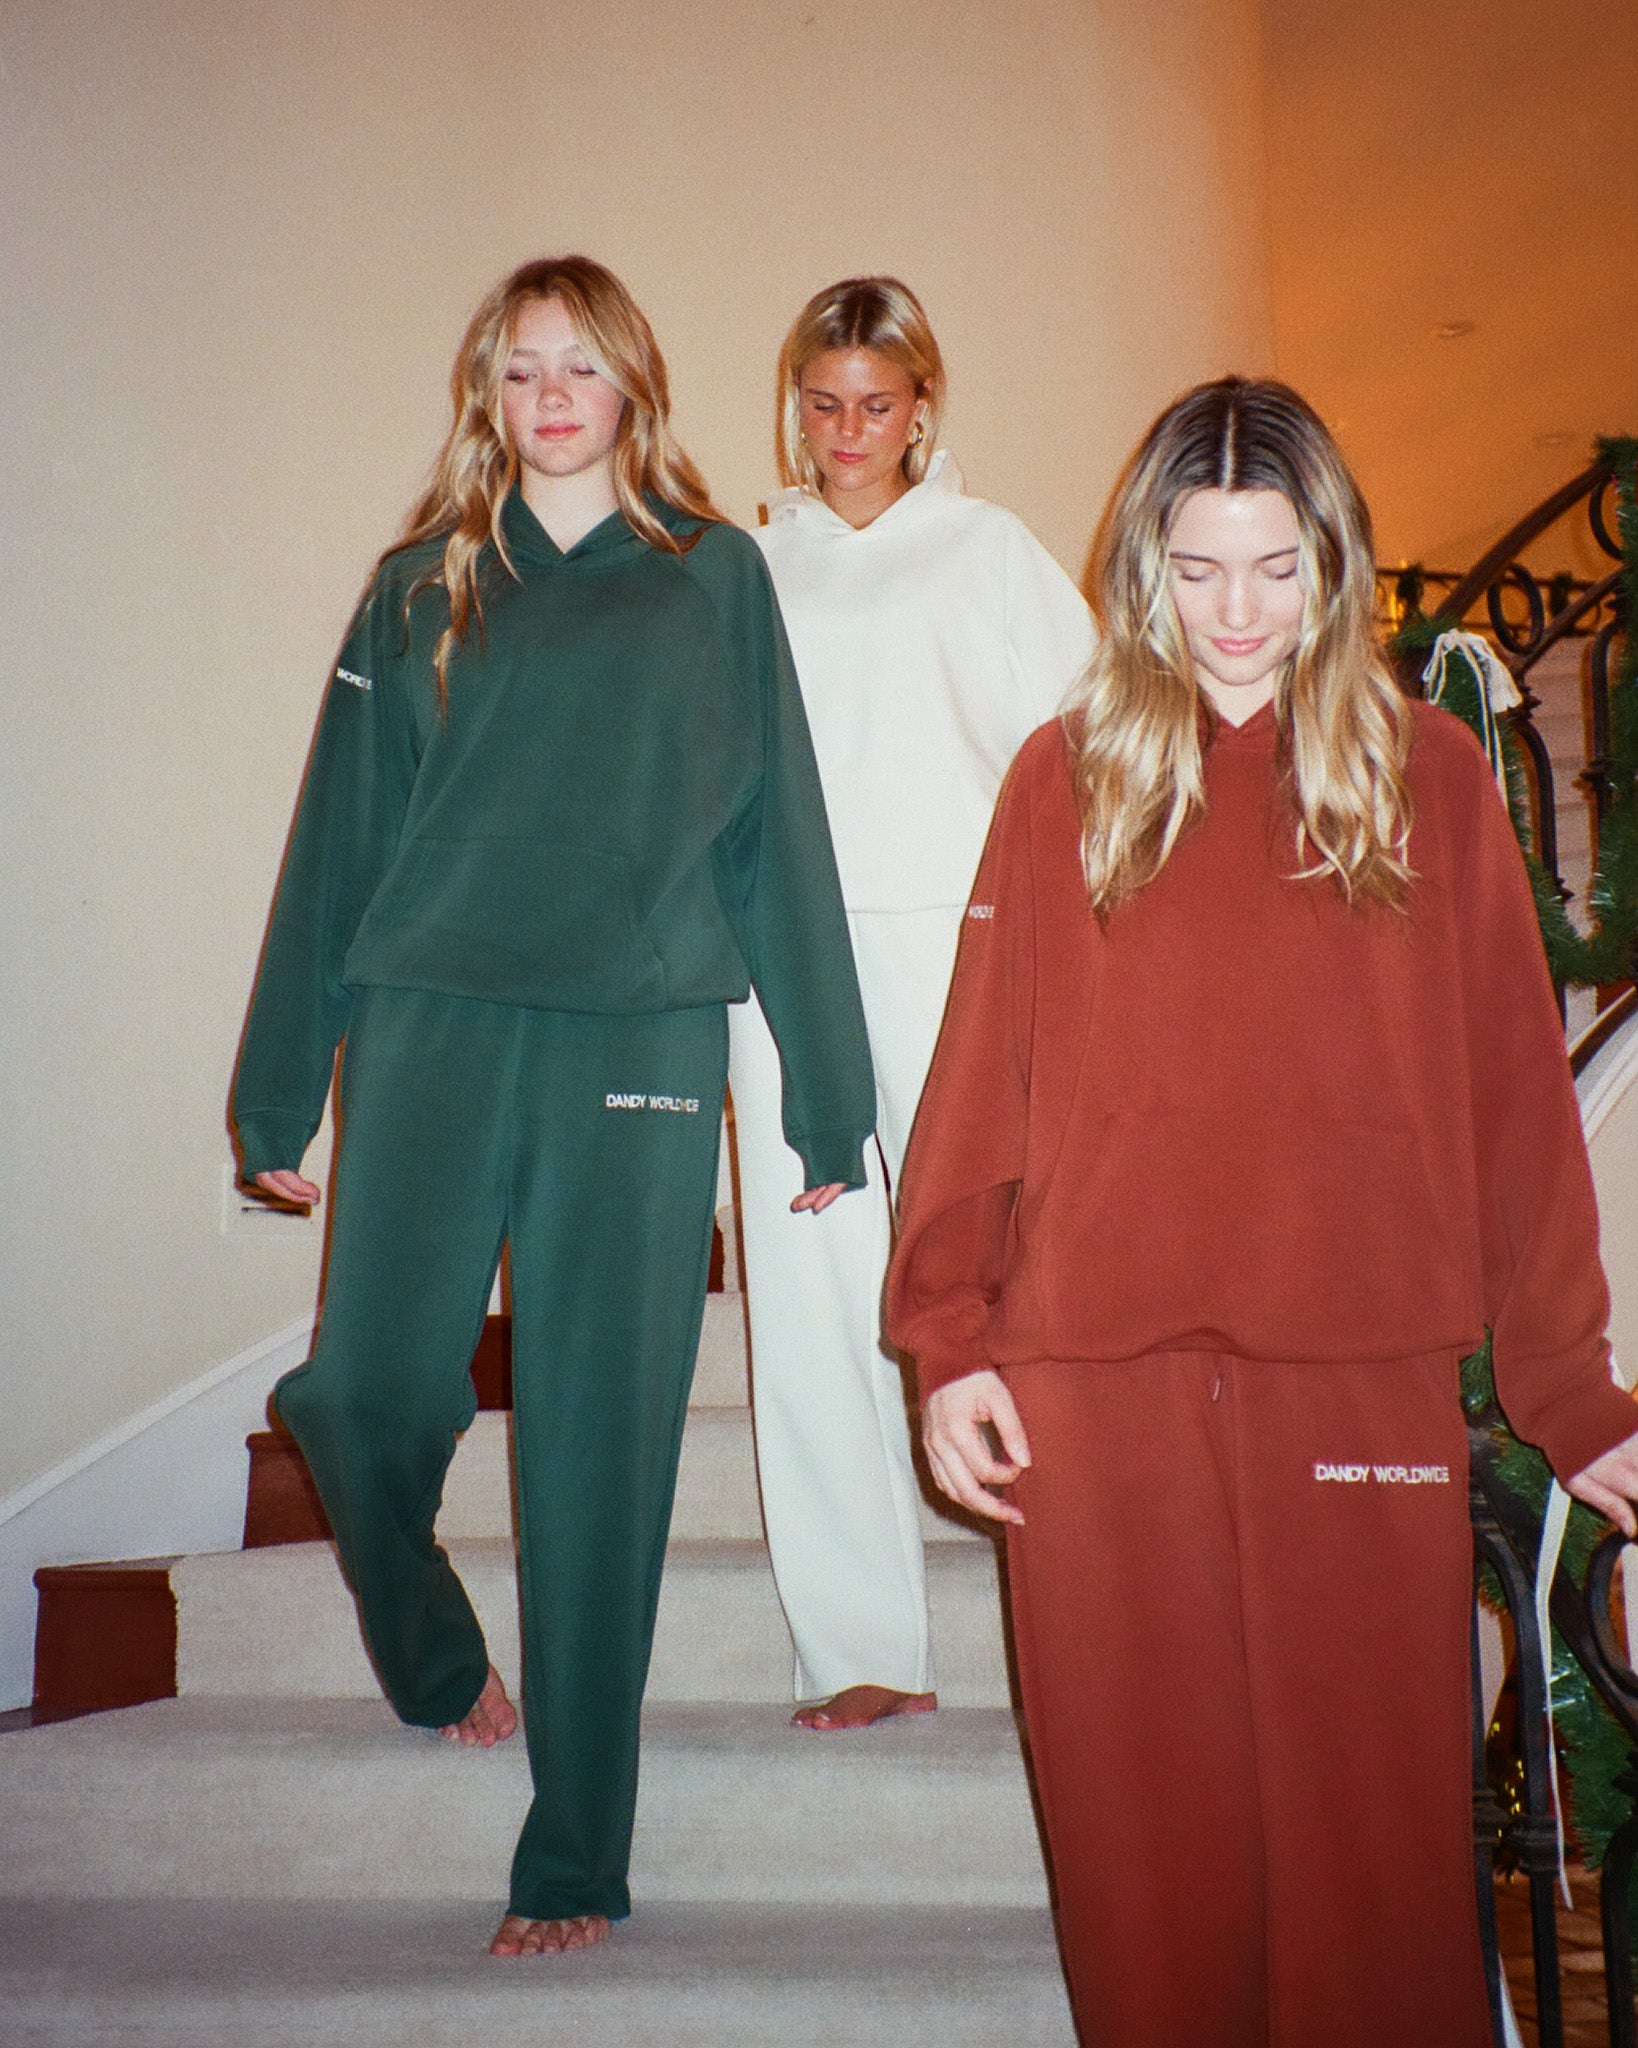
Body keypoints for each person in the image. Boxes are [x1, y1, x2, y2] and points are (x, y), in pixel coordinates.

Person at [884, 375, 1638, 2045]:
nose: (1237, 613)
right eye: (1199, 566)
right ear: (1145, 571)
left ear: (1334, 568)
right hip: (1091, 1388)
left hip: (1351, 1377)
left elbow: (1515, 1105)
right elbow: (977, 1085)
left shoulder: (1428, 780)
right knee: (1140, 1857)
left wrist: (1568, 1390)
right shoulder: (1063, 778)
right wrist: (951, 1345)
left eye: (1276, 567)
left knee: (1368, 1853)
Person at [233, 255, 874, 1959]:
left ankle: (577, 1849)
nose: (551, 395)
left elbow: (777, 834)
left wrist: (831, 1098)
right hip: (430, 1020)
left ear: (633, 387)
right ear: (487, 397)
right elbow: (338, 847)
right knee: (360, 1392)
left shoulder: (709, 577)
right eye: (521, 371)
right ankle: (431, 1645)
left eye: (581, 365)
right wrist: (277, 1093)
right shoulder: (417, 586)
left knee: (601, 1453)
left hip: (639, 1043)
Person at [727, 276, 1094, 1731]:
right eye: (822, 405)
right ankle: (861, 1648)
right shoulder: (748, 567)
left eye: (875, 405)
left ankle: (1079, 1618)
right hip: (781, 964)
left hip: (959, 952)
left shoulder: (988, 553)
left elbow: (1085, 751)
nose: (847, 431)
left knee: (1006, 1268)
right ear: (793, 406)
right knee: (812, 1299)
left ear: (922, 407)